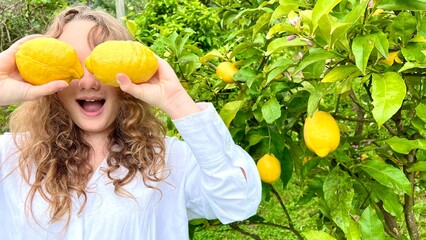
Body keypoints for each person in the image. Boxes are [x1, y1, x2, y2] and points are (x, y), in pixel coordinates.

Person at [0, 5, 261, 240]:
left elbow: (238, 201)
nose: (88, 81)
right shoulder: (10, 158)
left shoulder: (169, 161)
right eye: (72, 65)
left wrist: (177, 100)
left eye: (99, 65)